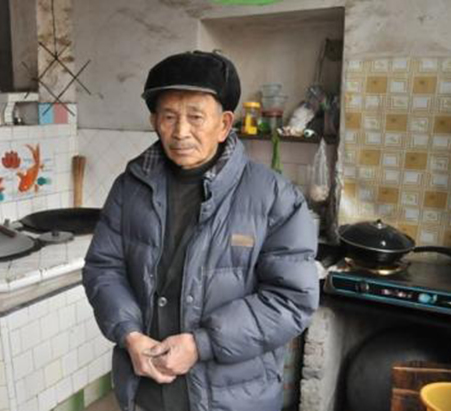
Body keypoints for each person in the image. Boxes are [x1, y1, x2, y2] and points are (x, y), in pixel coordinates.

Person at [82, 50, 319, 411]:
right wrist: (129, 334)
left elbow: (292, 299)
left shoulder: (274, 197)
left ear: (224, 124)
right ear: (154, 121)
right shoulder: (130, 188)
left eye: (195, 117)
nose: (180, 132)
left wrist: (201, 344)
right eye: (169, 117)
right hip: (146, 393)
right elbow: (104, 268)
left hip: (232, 399)